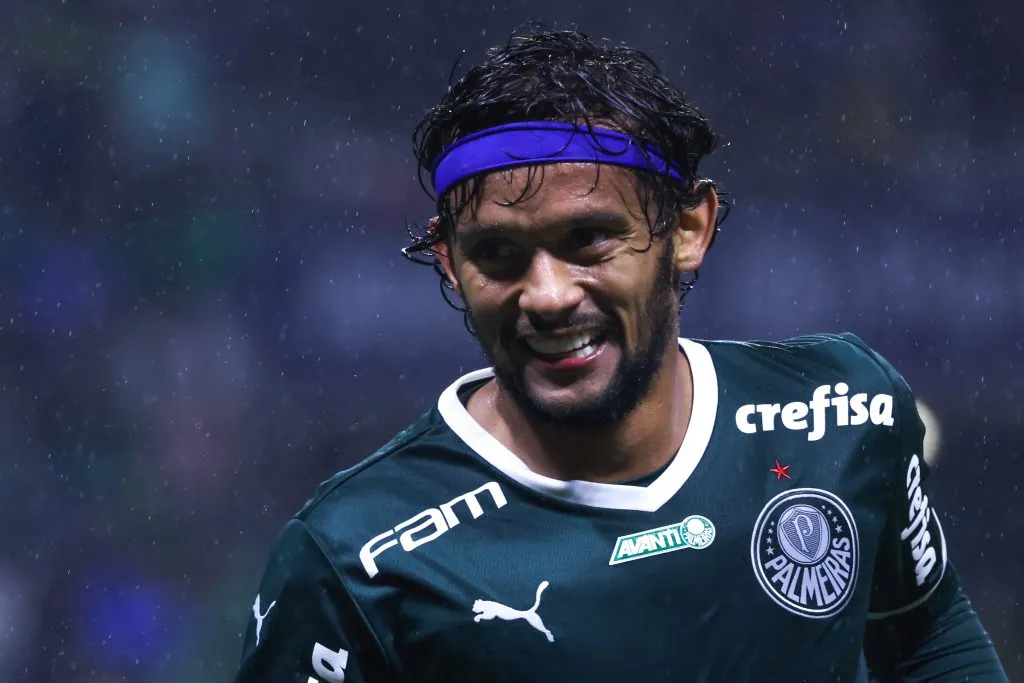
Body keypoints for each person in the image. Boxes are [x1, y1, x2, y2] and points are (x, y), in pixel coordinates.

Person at [232, 28, 1008, 683]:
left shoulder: (842, 411)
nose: (546, 294)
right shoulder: (350, 559)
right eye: (498, 252)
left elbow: (930, 639)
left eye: (589, 240)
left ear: (689, 229)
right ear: (448, 261)